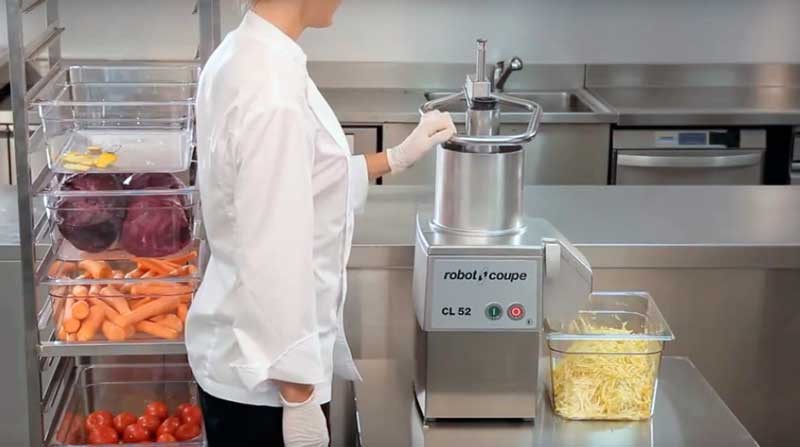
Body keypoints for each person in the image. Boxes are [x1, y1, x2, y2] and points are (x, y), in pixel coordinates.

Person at [184, 0, 457, 445]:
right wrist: (299, 397)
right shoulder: (272, 90)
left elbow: (299, 181)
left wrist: (395, 158)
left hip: (241, 354)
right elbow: (273, 249)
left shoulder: (244, 52)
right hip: (266, 381)